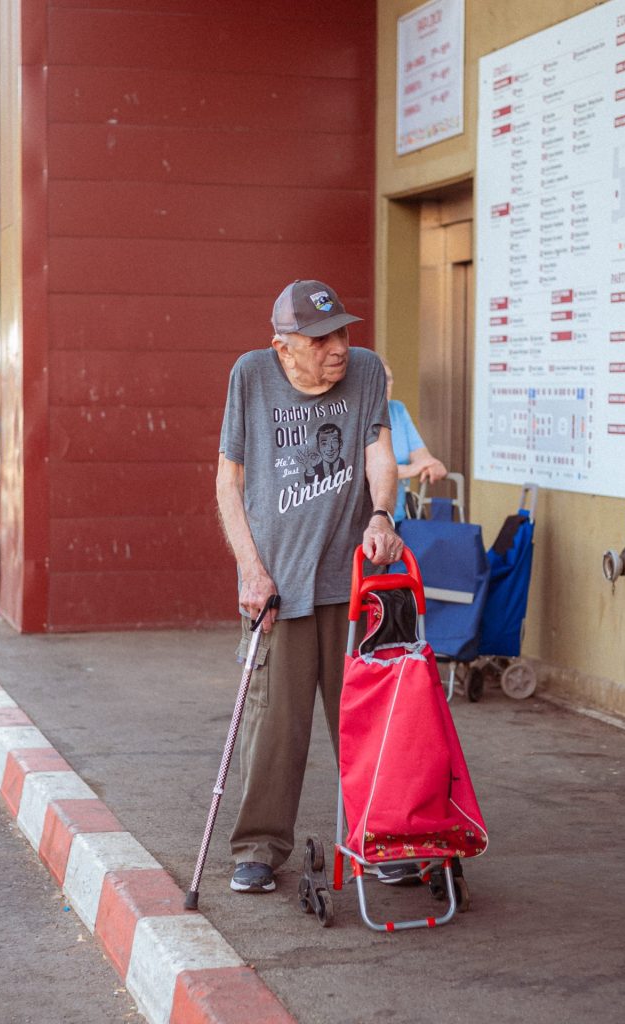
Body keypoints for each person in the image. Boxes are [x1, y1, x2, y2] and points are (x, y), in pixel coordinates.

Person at [216, 278, 403, 894]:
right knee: (275, 725)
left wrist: (382, 514)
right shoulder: (251, 376)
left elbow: (380, 451)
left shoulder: (368, 371)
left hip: (353, 583)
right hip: (281, 586)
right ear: (282, 346)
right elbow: (229, 483)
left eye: (342, 332)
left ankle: (386, 837)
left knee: (371, 719)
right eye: (320, 338)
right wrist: (251, 568)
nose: (338, 347)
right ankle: (260, 848)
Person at [380, 360, 448, 525]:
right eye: (377, 379)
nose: (385, 385)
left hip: (398, 517)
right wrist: (411, 469)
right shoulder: (355, 416)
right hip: (365, 524)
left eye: (388, 379)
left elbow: (423, 457)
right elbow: (367, 471)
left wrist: (432, 464)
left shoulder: (398, 410)